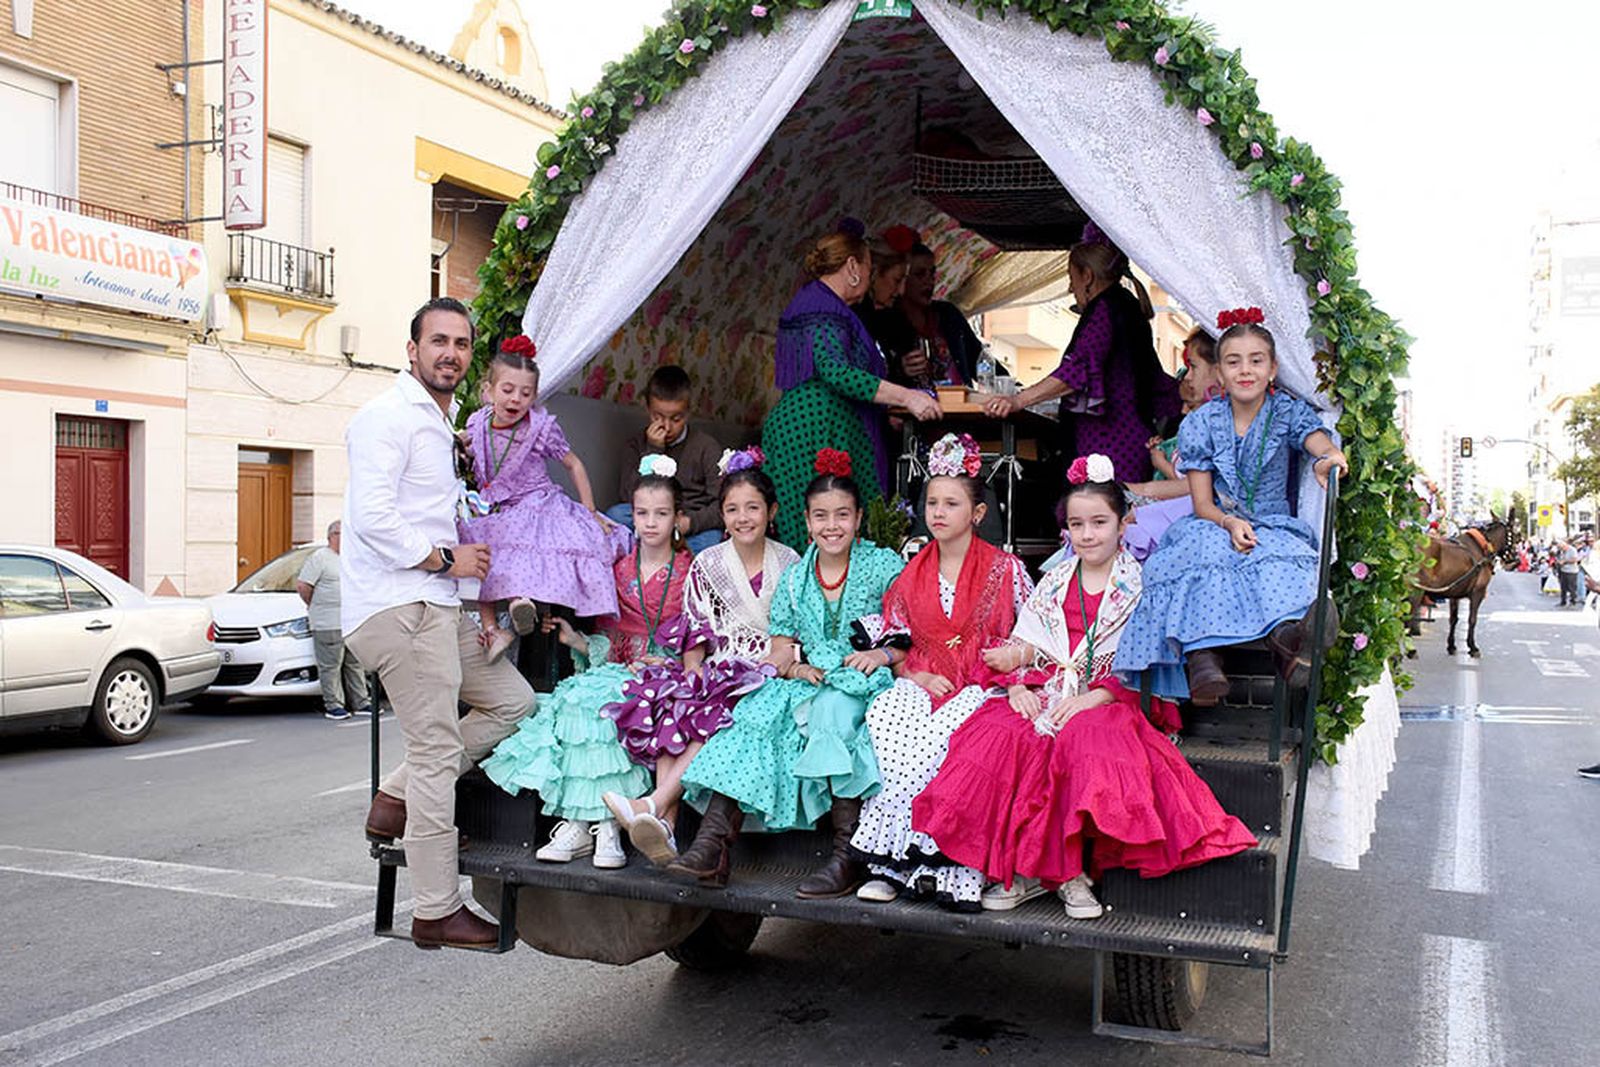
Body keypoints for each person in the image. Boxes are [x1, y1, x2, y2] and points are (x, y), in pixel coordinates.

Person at [912, 457, 1256, 919]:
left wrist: (1094, 697)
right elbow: (1027, 643)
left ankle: (1070, 877)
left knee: (1081, 743)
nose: (1088, 534)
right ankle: (1025, 874)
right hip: (1050, 687)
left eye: (1099, 523)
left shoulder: (1138, 583)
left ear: (1122, 523)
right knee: (1000, 736)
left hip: (1108, 697)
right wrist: (1017, 686)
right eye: (1077, 525)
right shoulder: (1054, 580)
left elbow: (1142, 662)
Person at [347, 296, 536, 951]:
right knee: (434, 751)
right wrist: (443, 557)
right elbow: (371, 518)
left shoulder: (438, 423)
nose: (450, 352)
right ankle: (435, 908)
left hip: (439, 601)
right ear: (412, 349)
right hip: (401, 604)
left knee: (513, 700)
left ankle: (393, 795)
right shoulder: (386, 418)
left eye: (460, 342)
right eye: (438, 341)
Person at [678, 450, 905, 897]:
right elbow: (781, 646)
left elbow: (907, 633)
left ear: (859, 519)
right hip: (811, 676)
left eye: (842, 515)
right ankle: (712, 846)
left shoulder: (884, 566)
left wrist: (881, 657)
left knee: (834, 716)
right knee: (754, 715)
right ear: (805, 521)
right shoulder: (798, 576)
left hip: (862, 679)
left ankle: (847, 856)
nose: (831, 526)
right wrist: (793, 667)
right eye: (821, 516)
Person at [1112, 311, 1349, 705]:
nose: (1245, 370)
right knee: (1205, 553)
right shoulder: (1201, 423)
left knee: (1276, 558)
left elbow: (1318, 441)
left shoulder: (1287, 412)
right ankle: (1204, 661)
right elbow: (1202, 503)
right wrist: (1228, 521)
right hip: (1214, 520)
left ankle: (1288, 646)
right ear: (1219, 372)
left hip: (1272, 523)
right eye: (1233, 361)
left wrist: (1327, 458)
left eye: (1256, 360)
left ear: (1272, 368)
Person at [479, 460, 693, 869]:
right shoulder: (616, 568)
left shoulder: (691, 571)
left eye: (661, 513)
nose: (650, 523)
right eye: (641, 513)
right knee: (580, 700)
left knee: (616, 702)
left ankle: (608, 828)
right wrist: (575, 640)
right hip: (612, 663)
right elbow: (603, 631)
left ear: (677, 518)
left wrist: (667, 662)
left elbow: (699, 637)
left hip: (667, 672)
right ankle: (581, 824)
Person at [850, 434, 1034, 910]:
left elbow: (1033, 636)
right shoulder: (911, 572)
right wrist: (915, 675)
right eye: (932, 502)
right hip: (926, 679)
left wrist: (1010, 672)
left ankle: (937, 863)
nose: (938, 512)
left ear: (976, 514)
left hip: (981, 685)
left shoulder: (1006, 570)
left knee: (943, 740)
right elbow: (898, 638)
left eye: (952, 503)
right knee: (889, 716)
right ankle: (889, 862)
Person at [602, 453, 800, 880]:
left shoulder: (790, 564)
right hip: (720, 664)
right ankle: (665, 824)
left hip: (767, 669)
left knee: (712, 711)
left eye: (752, 507)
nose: (742, 518)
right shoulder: (709, 564)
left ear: (772, 511)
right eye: (732, 509)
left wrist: (771, 665)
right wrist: (693, 670)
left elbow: (796, 633)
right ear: (721, 515)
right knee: (679, 700)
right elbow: (695, 632)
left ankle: (656, 805)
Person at [762, 220, 942, 547]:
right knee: (821, 534)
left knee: (832, 532)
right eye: (870, 269)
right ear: (852, 266)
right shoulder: (821, 306)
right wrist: (908, 396)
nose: (871, 279)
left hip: (823, 427)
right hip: (813, 433)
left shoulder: (821, 303)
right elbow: (837, 372)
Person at [458, 335, 629, 662]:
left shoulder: (540, 429)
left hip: (536, 502)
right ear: (489, 390)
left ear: (534, 397)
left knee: (522, 543)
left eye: (525, 393)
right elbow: (469, 446)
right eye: (507, 390)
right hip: (496, 507)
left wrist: (590, 510)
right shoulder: (477, 423)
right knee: (483, 547)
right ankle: (494, 629)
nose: (515, 399)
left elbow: (573, 463)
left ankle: (520, 600)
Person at [983, 222, 1181, 484]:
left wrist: (1019, 400)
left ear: (1087, 276)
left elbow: (1077, 369)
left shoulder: (1105, 309)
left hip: (1111, 442)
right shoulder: (1125, 305)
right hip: (1133, 436)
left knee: (1101, 514)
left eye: (1071, 278)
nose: (1069, 288)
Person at [607, 365, 725, 554]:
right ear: (648, 409)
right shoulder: (636, 445)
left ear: (688, 413)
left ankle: (677, 569)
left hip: (688, 523)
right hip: (649, 518)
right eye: (658, 417)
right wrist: (654, 450)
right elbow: (628, 495)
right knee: (616, 515)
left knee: (712, 540)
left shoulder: (706, 447)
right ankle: (640, 565)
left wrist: (689, 523)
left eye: (676, 419)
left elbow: (723, 504)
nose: (667, 427)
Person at [875, 237, 985, 390]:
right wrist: (900, 370)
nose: (929, 281)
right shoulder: (886, 321)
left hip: (959, 406)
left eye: (932, 274)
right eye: (920, 274)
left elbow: (980, 360)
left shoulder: (948, 314)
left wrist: (1013, 389)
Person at [295, 519, 372, 720]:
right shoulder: (320, 558)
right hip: (328, 622)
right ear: (333, 536)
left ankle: (361, 702)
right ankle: (334, 704)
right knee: (331, 665)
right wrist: (317, 606)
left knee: (354, 664)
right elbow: (304, 586)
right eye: (343, 534)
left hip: (351, 621)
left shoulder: (351, 558)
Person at [1556, 539, 1582, 607]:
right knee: (1563, 587)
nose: (1561, 549)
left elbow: (1575, 559)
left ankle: (1573, 601)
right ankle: (1563, 601)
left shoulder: (1572, 550)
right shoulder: (1561, 551)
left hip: (1571, 571)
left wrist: (1565, 561)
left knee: (1571, 587)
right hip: (1563, 570)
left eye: (1561, 548)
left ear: (1565, 546)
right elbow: (1560, 558)